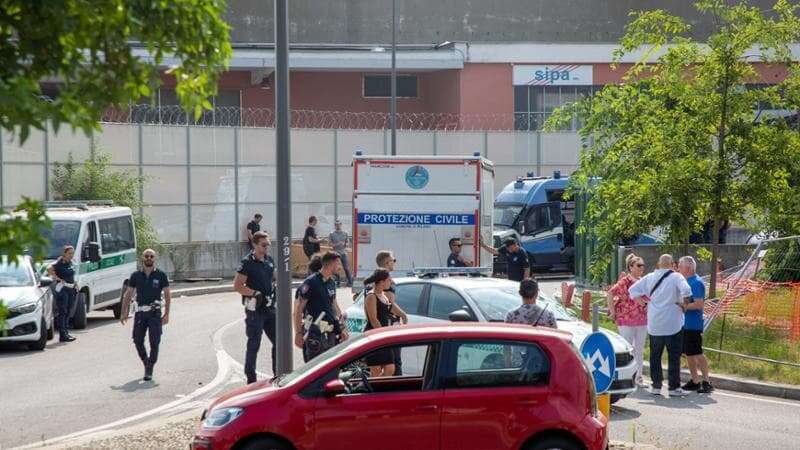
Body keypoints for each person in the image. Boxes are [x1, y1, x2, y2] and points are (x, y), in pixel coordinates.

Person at [629, 254, 692, 397]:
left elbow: (632, 291)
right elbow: (687, 290)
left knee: (655, 356)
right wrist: (684, 305)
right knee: (674, 356)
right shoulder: (676, 277)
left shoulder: (650, 277)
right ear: (672, 264)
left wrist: (642, 302)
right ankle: (673, 387)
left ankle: (656, 386)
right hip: (673, 323)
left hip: (655, 323)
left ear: (658, 263)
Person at [120, 249, 172, 381]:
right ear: (142, 258)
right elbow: (129, 294)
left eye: (151, 256)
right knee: (137, 340)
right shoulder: (136, 275)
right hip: (140, 313)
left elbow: (167, 294)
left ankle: (150, 367)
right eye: (146, 256)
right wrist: (124, 311)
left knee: (155, 341)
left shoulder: (161, 275)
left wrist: (167, 314)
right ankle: (146, 361)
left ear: (155, 258)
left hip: (155, 313)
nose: (149, 258)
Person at [233, 231, 276, 383]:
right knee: (254, 344)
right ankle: (251, 378)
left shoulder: (269, 260)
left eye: (268, 245)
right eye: (263, 245)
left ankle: (277, 374)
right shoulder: (247, 262)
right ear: (255, 244)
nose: (266, 248)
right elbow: (238, 286)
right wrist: (254, 293)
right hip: (255, 310)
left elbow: (273, 278)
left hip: (270, 308)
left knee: (279, 341)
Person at [294, 252, 348, 362]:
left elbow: (334, 306)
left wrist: (342, 328)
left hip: (330, 334)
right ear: (331, 264)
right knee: (314, 370)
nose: (340, 267)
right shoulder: (311, 282)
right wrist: (298, 333)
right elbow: (298, 310)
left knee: (331, 368)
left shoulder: (331, 282)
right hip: (315, 334)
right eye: (338, 264)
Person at [607, 254, 648, 386]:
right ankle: (626, 377)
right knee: (628, 348)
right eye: (638, 265)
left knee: (639, 349)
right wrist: (612, 312)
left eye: (642, 265)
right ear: (631, 267)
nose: (641, 268)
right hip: (626, 319)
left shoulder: (644, 281)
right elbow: (610, 293)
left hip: (642, 319)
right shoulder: (625, 281)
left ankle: (639, 377)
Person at [678, 256, 714, 393]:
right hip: (684, 324)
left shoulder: (696, 282)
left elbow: (699, 304)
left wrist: (682, 306)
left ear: (688, 268)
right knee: (688, 353)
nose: (679, 269)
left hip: (693, 324)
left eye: (680, 266)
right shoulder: (687, 281)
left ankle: (706, 381)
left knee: (697, 353)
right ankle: (695, 380)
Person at [362, 268, 408, 377]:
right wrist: (383, 336)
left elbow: (390, 308)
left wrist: (403, 315)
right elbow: (373, 319)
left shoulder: (383, 295)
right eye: (388, 280)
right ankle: (373, 391)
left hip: (383, 335)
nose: (390, 282)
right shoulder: (371, 296)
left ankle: (378, 387)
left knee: (390, 368)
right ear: (381, 281)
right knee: (376, 370)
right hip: (374, 336)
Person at [48, 245, 78, 343]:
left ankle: (66, 332)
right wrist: (57, 278)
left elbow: (72, 274)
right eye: (69, 253)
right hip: (63, 290)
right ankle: (62, 335)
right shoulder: (59, 262)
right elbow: (49, 269)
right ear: (64, 253)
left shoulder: (70, 262)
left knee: (69, 310)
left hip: (71, 289)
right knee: (63, 311)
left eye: (72, 253)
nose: (71, 255)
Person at [329, 220, 353, 287]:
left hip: (343, 253)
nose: (337, 226)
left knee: (346, 268)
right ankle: (337, 283)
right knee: (336, 268)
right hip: (335, 254)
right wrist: (337, 244)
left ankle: (350, 282)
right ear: (335, 225)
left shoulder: (345, 233)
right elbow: (330, 244)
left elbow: (348, 243)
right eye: (336, 225)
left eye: (339, 224)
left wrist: (345, 244)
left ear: (341, 224)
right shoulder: (332, 234)